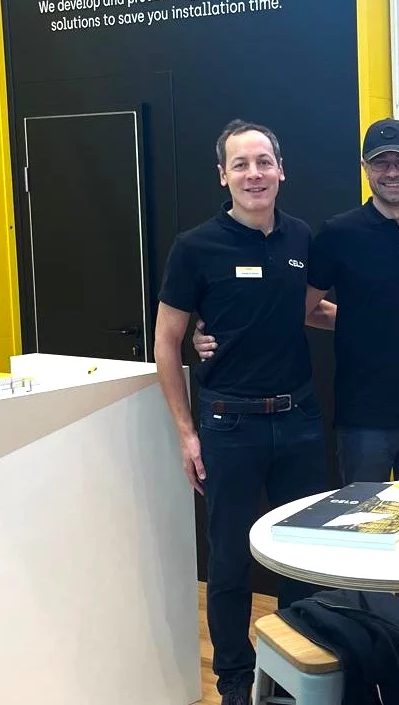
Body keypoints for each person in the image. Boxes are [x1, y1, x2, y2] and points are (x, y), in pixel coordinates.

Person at [153, 120, 329, 705]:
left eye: (263, 162)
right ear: (222, 176)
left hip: (299, 420)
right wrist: (187, 434)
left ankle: (294, 673)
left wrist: (383, 325)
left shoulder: (301, 238)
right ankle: (234, 680)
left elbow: (304, 311)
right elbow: (166, 342)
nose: (254, 174)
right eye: (240, 164)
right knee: (229, 560)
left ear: (281, 169)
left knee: (300, 556)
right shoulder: (195, 247)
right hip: (229, 426)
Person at [304, 118, 399, 483]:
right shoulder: (338, 233)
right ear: (365, 168)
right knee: (361, 516)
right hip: (364, 420)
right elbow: (302, 308)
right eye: (380, 163)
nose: (392, 172)